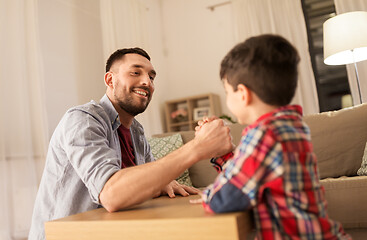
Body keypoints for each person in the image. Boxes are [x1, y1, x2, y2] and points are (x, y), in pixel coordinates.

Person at [28, 48, 233, 240]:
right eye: (135, 73)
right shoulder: (83, 119)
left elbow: (146, 183)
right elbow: (111, 194)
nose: (147, 82)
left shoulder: (136, 131)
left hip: (111, 231)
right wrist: (197, 147)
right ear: (110, 79)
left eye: (151, 77)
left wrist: (163, 183)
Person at [195, 35, 351, 239]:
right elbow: (257, 174)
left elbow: (226, 199)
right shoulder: (290, 125)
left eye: (227, 92)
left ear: (243, 94)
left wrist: (209, 194)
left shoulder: (263, 134)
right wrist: (225, 155)